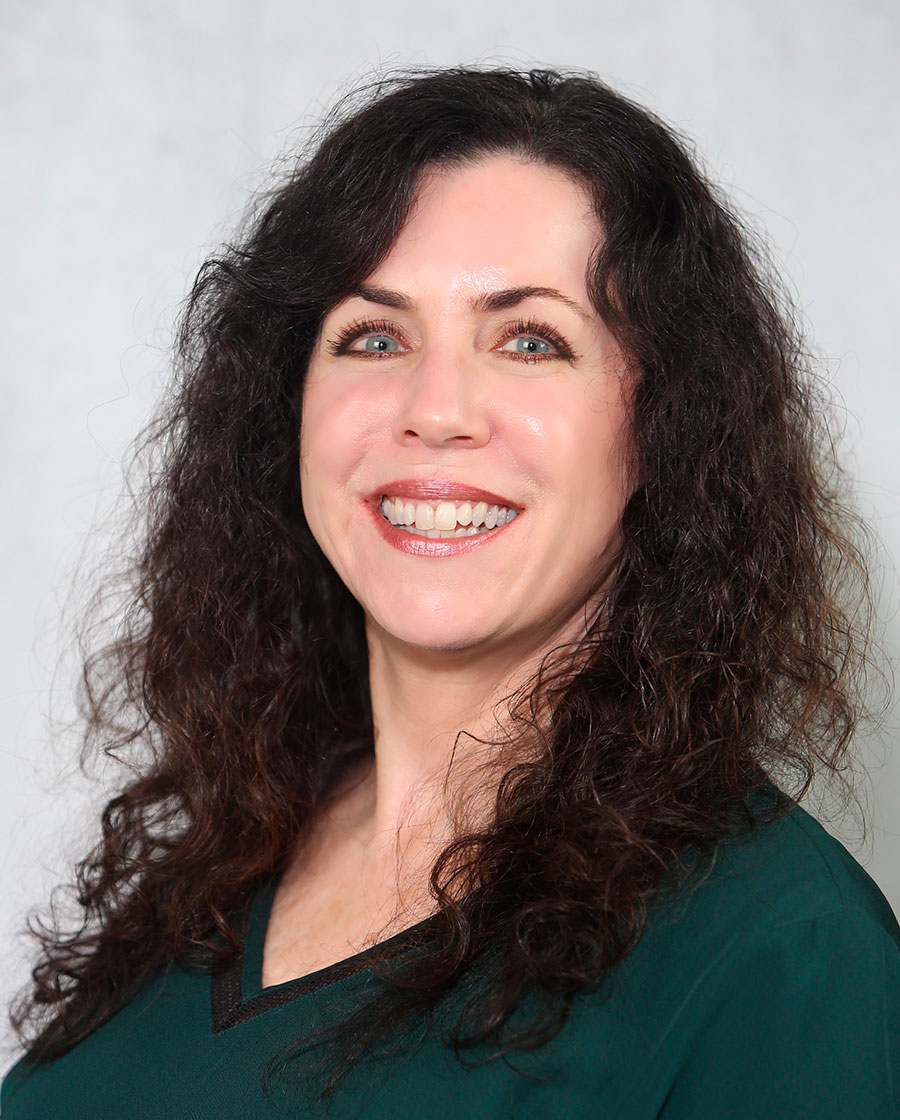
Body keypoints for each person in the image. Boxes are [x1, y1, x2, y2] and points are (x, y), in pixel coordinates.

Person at [2, 65, 899, 1118]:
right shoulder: (221, 864)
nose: (435, 409)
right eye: (375, 337)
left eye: (531, 341)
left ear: (664, 426)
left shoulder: (784, 958)